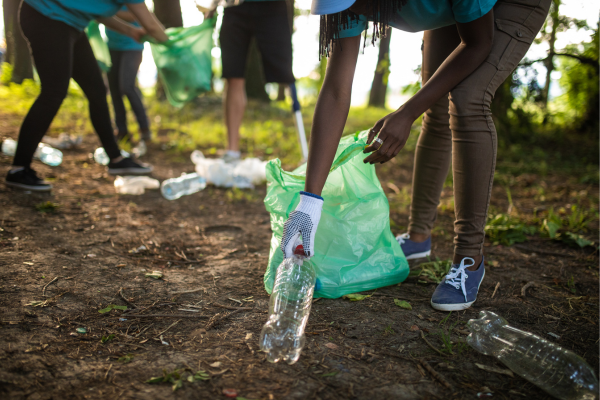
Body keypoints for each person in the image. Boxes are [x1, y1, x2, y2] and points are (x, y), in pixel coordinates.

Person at [281, 0, 550, 311]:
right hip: (454, 9)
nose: (354, 12)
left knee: (468, 99)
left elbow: (478, 44)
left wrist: (406, 112)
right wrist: (310, 201)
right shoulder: (346, 4)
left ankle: (469, 258)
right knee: (434, 109)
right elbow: (336, 89)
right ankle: (419, 238)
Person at [5, 0, 168, 192]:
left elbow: (93, 10)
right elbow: (151, 25)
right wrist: (175, 45)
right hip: (47, 17)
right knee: (53, 92)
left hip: (71, 23)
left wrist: (128, 30)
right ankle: (19, 169)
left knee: (97, 91)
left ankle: (116, 159)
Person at [206, 0, 295, 162]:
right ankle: (232, 151)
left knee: (285, 74)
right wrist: (213, 4)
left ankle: (304, 149)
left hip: (273, 7)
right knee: (233, 75)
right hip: (233, 7)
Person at [106, 6, 152, 143]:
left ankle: (144, 128)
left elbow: (134, 14)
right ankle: (122, 130)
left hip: (133, 46)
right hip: (112, 45)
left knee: (127, 86)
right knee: (114, 89)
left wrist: (105, 10)